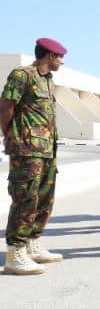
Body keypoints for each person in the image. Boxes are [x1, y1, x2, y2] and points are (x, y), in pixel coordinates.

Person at [0, 38, 66, 275]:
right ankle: (15, 254)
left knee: (44, 199)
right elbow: (5, 107)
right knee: (25, 197)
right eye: (59, 56)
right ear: (48, 56)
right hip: (27, 149)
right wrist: (13, 136)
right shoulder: (23, 75)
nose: (62, 61)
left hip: (47, 150)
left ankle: (32, 243)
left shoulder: (47, 81)